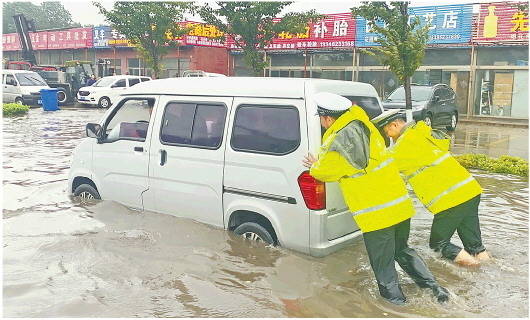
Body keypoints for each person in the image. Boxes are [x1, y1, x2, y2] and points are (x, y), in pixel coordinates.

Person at [302, 92, 449, 305]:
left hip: (377, 215)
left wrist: (315, 164)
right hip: (399, 207)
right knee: (403, 250)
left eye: (322, 120)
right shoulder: (365, 126)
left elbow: (325, 171)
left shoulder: (340, 139)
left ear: (327, 118)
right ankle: (435, 288)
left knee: (383, 265)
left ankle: (398, 305)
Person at [375, 111, 490, 266]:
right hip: (469, 191)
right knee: (475, 246)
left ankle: (474, 269)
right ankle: (488, 271)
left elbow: (380, 163)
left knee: (439, 245)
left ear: (395, 124)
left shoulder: (404, 144)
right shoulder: (421, 133)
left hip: (451, 199)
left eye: (386, 131)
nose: (387, 136)